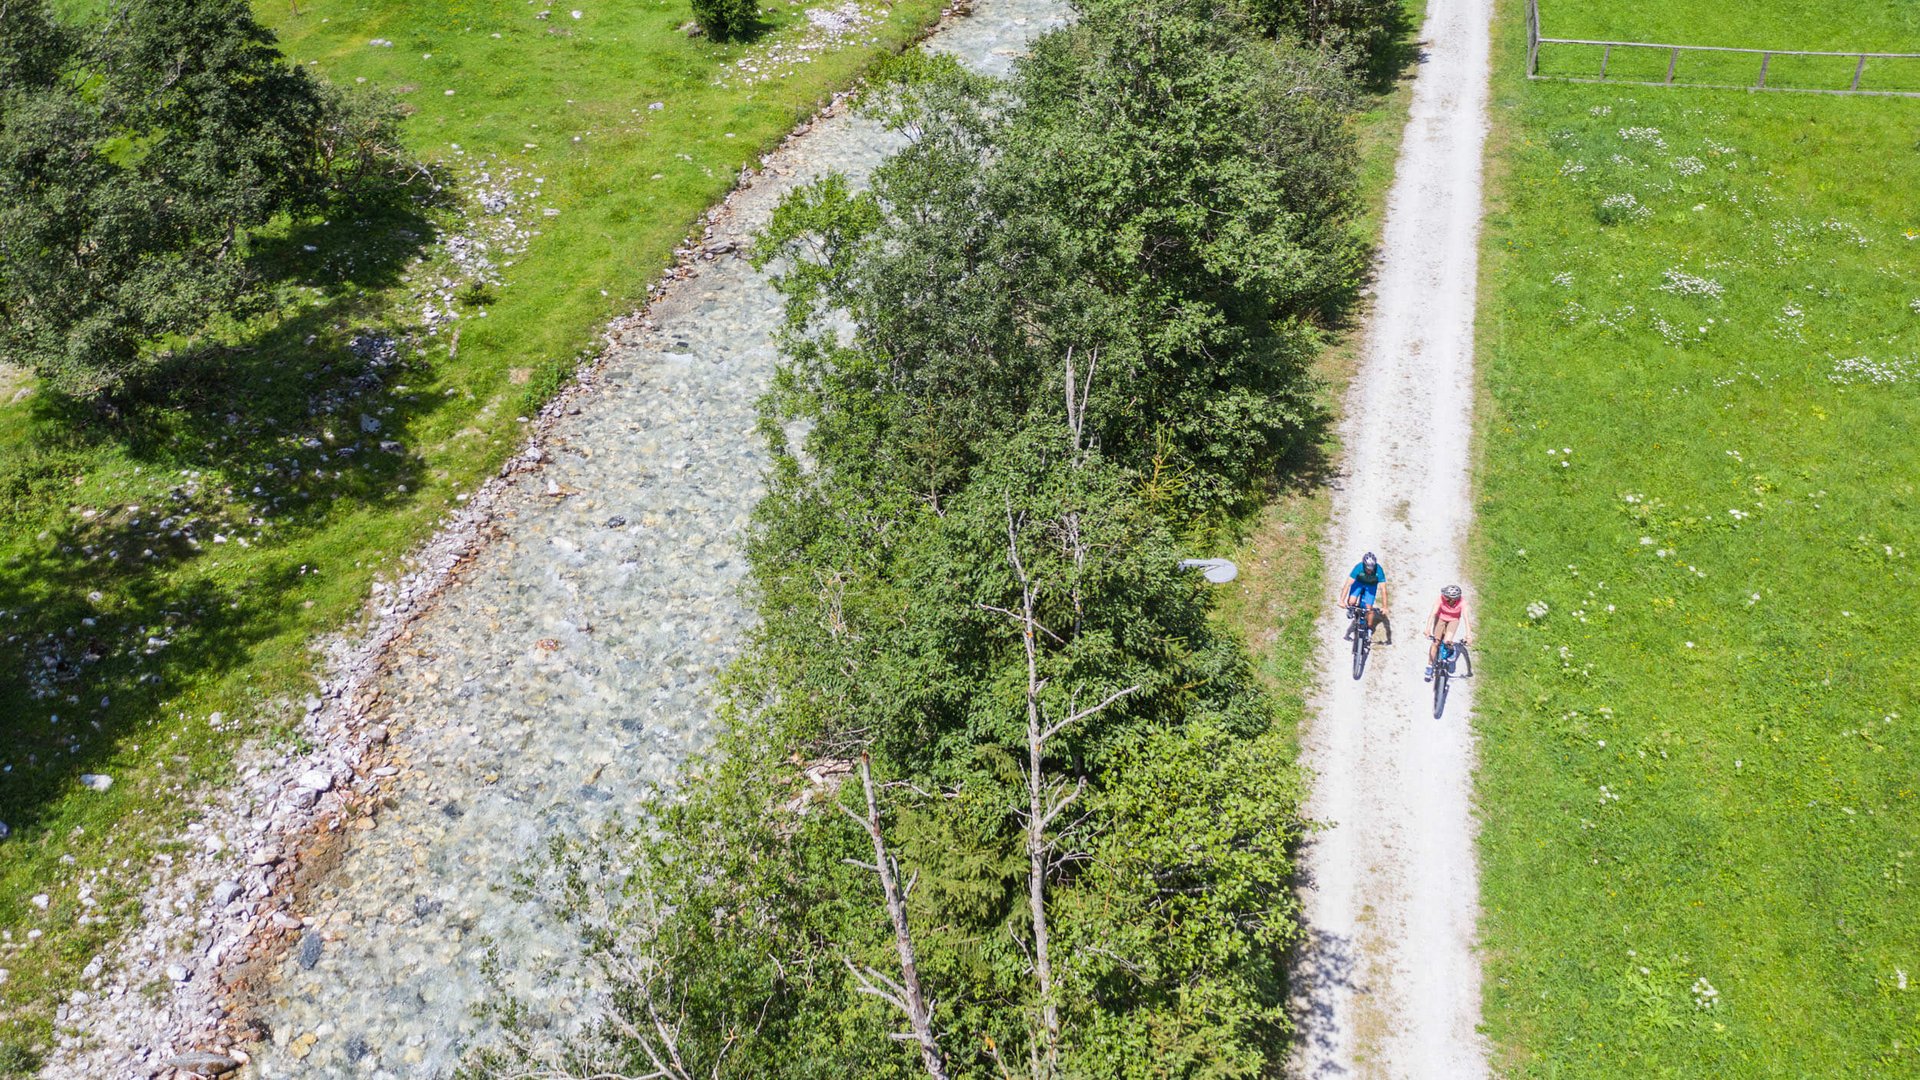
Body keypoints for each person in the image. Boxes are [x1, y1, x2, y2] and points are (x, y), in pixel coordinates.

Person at [1342, 552, 1389, 641]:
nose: (1369, 571)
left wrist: (1385, 606)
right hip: (1359, 583)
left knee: (1369, 608)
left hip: (1371, 586)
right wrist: (1341, 600)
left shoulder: (1379, 570)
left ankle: (1369, 629)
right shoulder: (1358, 567)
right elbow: (1347, 584)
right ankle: (1352, 609)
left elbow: (1383, 590)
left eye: (1371, 568)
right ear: (1364, 565)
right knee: (1352, 601)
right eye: (1367, 569)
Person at [1426, 585, 1465, 681]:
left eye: (1446, 596)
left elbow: (1466, 619)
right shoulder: (1440, 599)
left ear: (1452, 599)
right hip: (1441, 618)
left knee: (1447, 640)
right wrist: (1427, 629)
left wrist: (1468, 634)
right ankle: (1430, 666)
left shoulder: (1462, 602)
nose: (1444, 596)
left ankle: (1452, 650)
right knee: (1436, 642)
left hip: (1453, 620)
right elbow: (1433, 613)